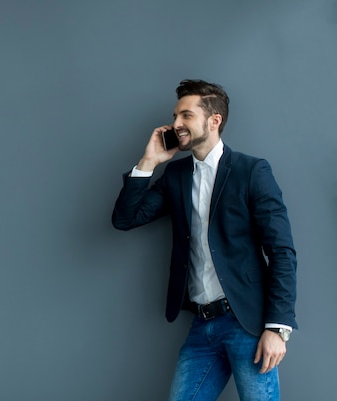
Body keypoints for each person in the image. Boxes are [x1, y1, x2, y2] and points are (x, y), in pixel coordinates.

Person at [112, 79, 297, 401]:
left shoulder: (251, 171)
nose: (176, 124)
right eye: (175, 116)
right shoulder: (177, 175)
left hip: (248, 323)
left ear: (214, 120)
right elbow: (126, 219)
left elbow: (281, 251)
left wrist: (277, 328)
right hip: (201, 326)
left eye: (186, 116)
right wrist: (149, 162)